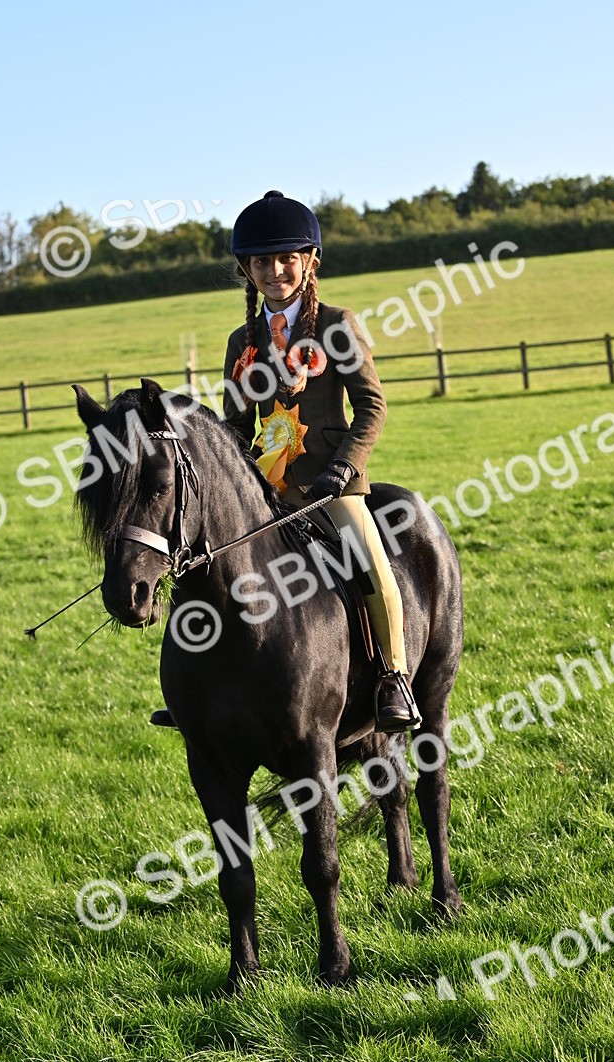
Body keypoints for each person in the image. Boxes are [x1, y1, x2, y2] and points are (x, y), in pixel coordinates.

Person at [221, 190, 420, 733]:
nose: (276, 270)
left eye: (287, 258)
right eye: (262, 261)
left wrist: (345, 467)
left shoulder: (338, 324)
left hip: (333, 488)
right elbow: (236, 428)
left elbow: (372, 405)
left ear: (309, 261)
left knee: (371, 565)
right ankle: (211, 688)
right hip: (268, 491)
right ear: (247, 270)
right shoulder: (242, 341)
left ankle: (394, 677)